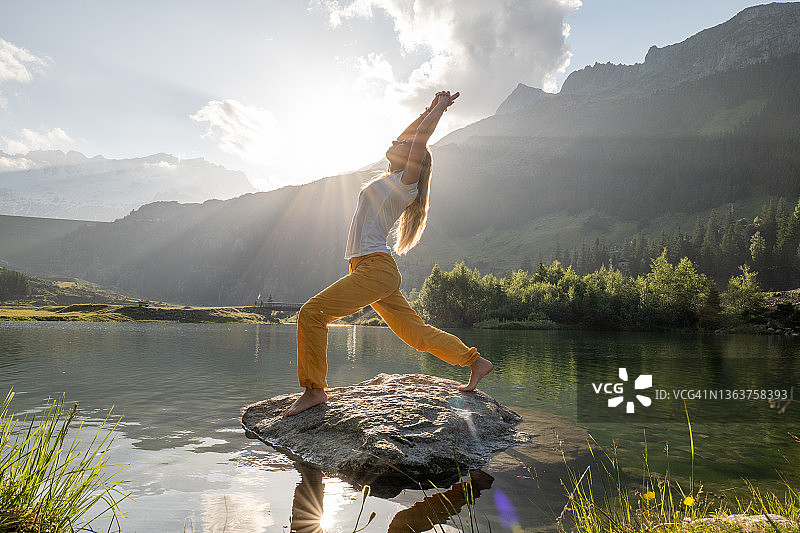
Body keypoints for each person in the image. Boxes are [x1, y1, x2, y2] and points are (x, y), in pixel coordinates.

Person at [283, 90, 493, 417]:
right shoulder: (392, 179)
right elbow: (409, 137)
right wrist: (427, 109)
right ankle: (475, 362)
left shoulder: (406, 184)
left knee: (312, 314)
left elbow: (418, 140)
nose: (396, 141)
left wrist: (439, 109)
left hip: (375, 269)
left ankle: (314, 390)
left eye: (403, 144)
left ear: (412, 158)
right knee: (416, 334)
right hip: (371, 270)